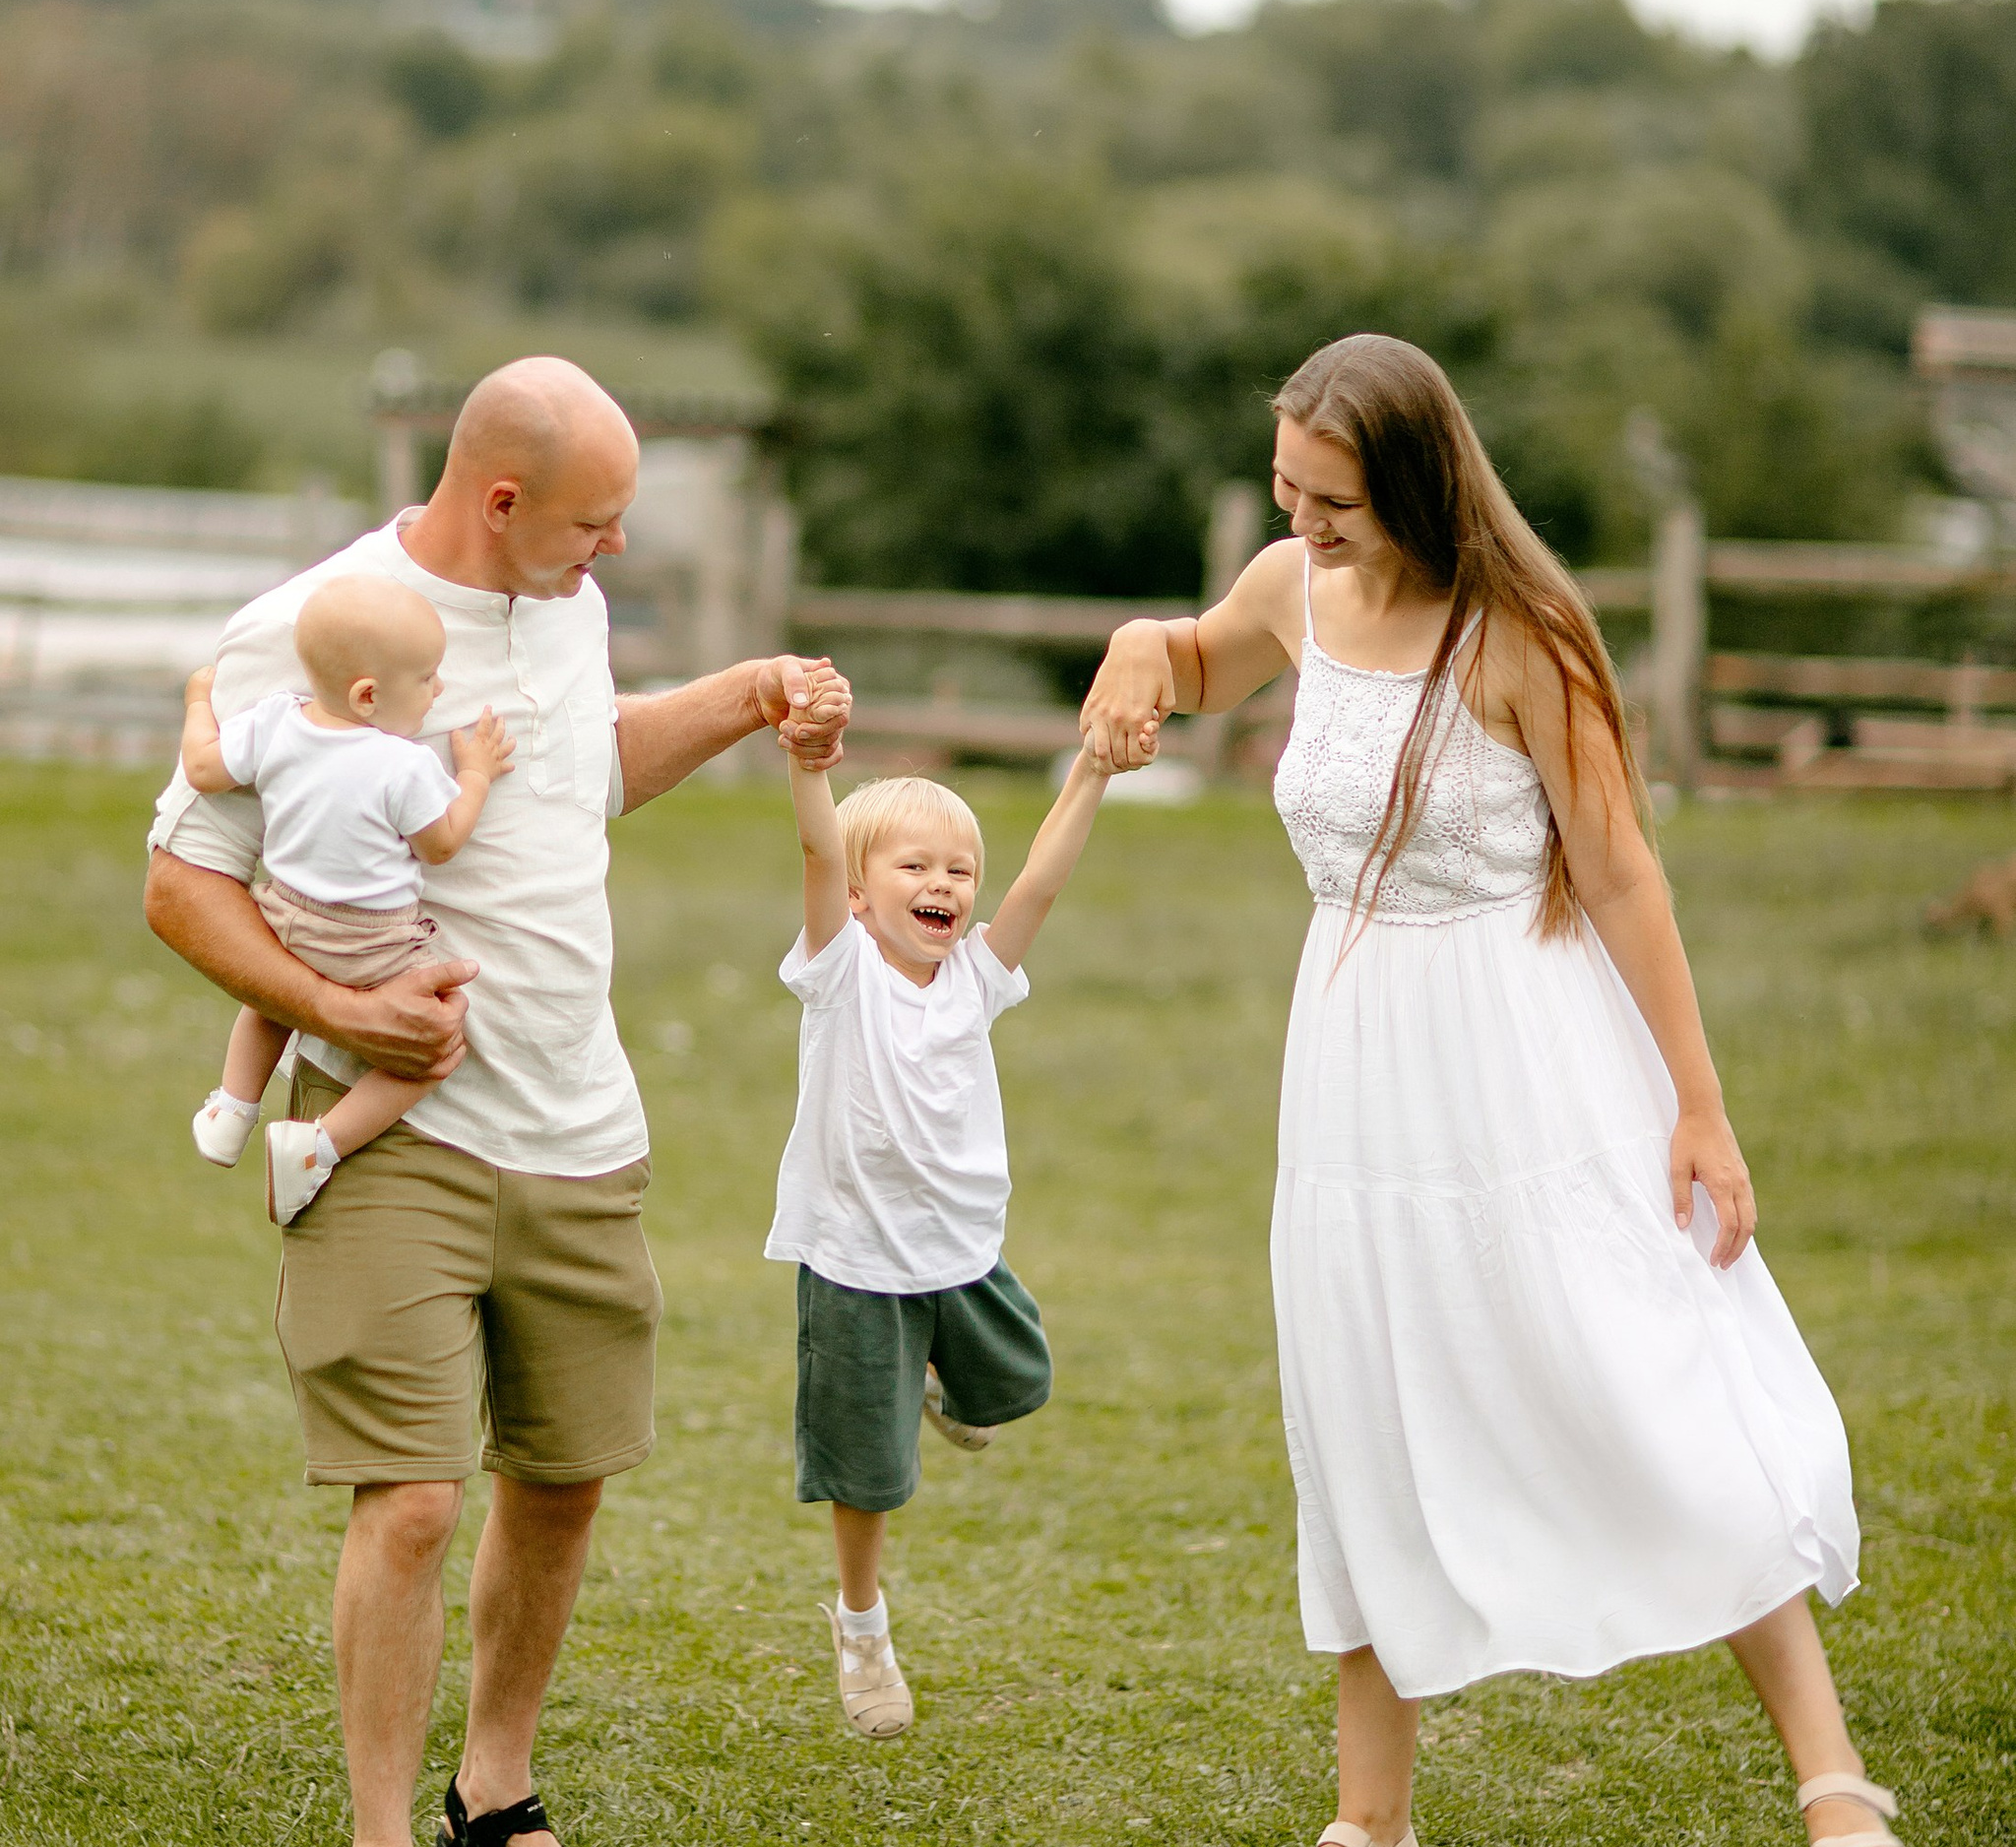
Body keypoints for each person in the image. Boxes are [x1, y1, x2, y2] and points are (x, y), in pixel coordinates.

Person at [1083, 333, 1899, 1847]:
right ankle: (1369, 1819)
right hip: (1349, 1073)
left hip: (1528, 1053)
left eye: (1332, 500)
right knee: (1364, 1400)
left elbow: (1626, 877)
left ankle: (1832, 1776)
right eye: (1287, 490)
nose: (1305, 523)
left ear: (1414, 485)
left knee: (1633, 1369)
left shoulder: (1520, 632)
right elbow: (1198, 661)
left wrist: (1698, 1105)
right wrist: (1145, 647)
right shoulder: (1292, 592)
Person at [142, 355, 850, 1847]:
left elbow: (578, 779)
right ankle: (380, 1830)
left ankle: (495, 1786)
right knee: (410, 1500)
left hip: (582, 1126)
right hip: (402, 1128)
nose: (617, 551)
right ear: (503, 498)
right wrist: (341, 1012)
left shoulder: (570, 610)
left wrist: (737, 698)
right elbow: (181, 882)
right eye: (596, 521)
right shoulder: (315, 628)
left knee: (564, 1482)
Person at [770, 749, 1113, 1740]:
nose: (942, 885)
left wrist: (1090, 769)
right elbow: (812, 841)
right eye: (914, 867)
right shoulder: (838, 970)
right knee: (868, 1474)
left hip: (964, 1248)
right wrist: (804, 765)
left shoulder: (977, 975)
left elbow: (1044, 876)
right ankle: (863, 1626)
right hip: (855, 1260)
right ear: (859, 891)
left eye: (959, 869)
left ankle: (933, 1379)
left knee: (1018, 1384)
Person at [177, 571, 516, 1224]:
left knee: (269, 999)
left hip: (284, 921)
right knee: (438, 1038)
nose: (438, 689)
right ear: (368, 695)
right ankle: (319, 1146)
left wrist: (198, 702)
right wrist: (474, 774)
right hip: (371, 943)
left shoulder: (276, 722)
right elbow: (441, 844)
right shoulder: (404, 763)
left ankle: (231, 1107)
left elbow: (202, 769)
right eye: (426, 678)